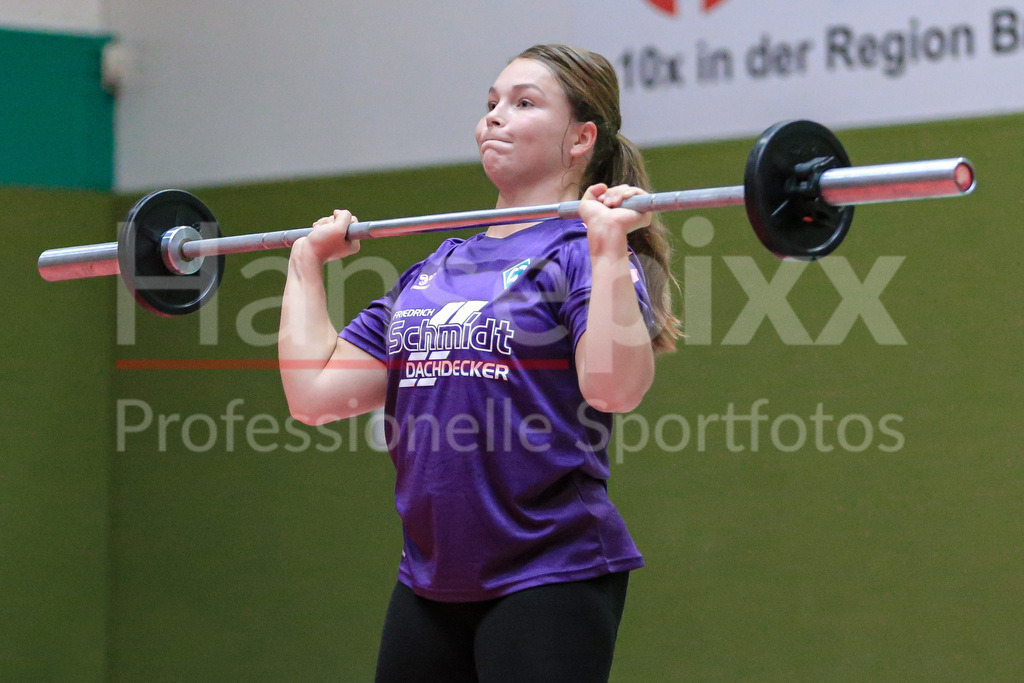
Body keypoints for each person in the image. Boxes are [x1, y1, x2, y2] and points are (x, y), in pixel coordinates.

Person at [278, 44, 680, 682]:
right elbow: (315, 394)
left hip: (550, 572)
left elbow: (614, 390)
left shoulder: (581, 252)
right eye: (491, 103)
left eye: (523, 104)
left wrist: (608, 249)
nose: (495, 116)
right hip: (430, 580)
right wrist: (305, 266)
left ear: (581, 139)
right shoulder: (434, 270)